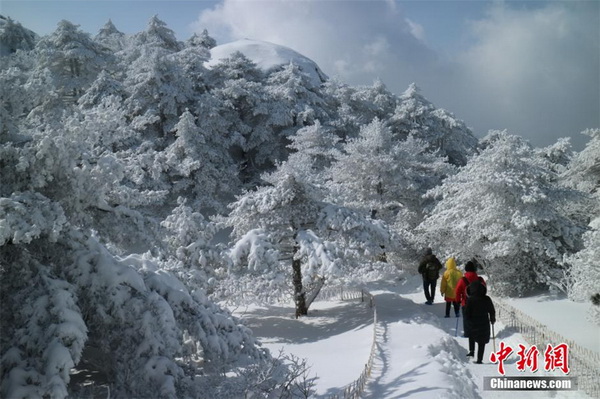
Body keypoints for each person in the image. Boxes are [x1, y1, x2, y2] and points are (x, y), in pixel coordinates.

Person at [464, 279, 496, 363]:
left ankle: (472, 351)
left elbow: (467, 312)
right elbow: (491, 310)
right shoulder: (487, 299)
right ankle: (479, 359)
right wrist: (492, 318)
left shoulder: (470, 300)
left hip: (473, 322)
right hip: (484, 322)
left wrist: (467, 320)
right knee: (482, 341)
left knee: (472, 336)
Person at [454, 261, 485, 337]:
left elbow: (457, 291)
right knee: (478, 318)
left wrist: (458, 301)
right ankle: (477, 332)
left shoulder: (462, 280)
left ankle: (468, 334)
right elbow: (484, 290)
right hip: (478, 303)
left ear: (466, 269)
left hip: (466, 303)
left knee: (467, 319)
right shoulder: (480, 279)